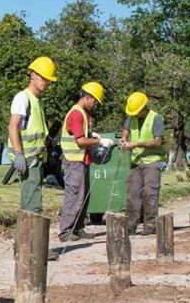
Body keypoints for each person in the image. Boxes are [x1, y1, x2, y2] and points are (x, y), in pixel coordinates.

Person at [57, 82, 113, 242]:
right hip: (73, 161)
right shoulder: (76, 114)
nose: (96, 105)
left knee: (83, 196)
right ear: (87, 97)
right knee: (74, 196)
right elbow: (80, 141)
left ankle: (78, 227)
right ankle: (65, 231)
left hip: (81, 161)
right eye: (95, 101)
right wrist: (99, 142)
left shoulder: (82, 113)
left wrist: (93, 135)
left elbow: (82, 135)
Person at [6, 57, 58, 213]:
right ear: (33, 75)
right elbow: (13, 126)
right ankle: (31, 235)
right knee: (32, 203)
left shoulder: (36, 101)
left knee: (32, 196)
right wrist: (19, 154)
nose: (46, 82)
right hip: (27, 158)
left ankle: (29, 234)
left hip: (35, 157)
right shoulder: (23, 98)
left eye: (48, 79)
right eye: (43, 77)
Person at [119, 91, 167, 235]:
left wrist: (136, 144)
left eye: (136, 112)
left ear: (143, 108)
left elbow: (157, 142)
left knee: (149, 193)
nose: (133, 114)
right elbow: (126, 129)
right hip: (137, 161)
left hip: (153, 160)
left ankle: (150, 225)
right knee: (132, 193)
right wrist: (124, 138)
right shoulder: (132, 116)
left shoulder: (156, 118)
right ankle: (130, 226)